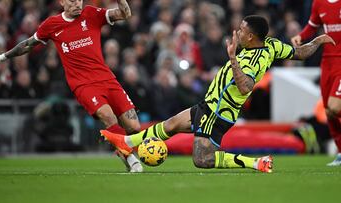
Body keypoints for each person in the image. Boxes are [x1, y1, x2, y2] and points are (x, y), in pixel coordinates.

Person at [101, 15, 335, 173]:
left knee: (202, 160)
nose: (238, 31)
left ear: (251, 37)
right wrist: (319, 40)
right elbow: (300, 53)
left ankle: (256, 163)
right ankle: (125, 141)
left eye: (242, 30)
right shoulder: (272, 45)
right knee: (171, 125)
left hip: (218, 112)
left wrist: (233, 57)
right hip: (209, 104)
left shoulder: (253, 59)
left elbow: (245, 87)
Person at [0, 0, 143, 172]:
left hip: (107, 79)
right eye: (72, 0)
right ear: (62, 2)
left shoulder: (91, 14)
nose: (77, 3)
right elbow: (28, 44)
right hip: (83, 84)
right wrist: (2, 57)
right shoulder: (52, 25)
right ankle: (130, 158)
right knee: (108, 117)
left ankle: (123, 151)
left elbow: (125, 14)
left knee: (134, 127)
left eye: (79, 0)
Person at [291, 0, 341, 166]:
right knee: (328, 110)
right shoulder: (318, 3)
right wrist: (300, 36)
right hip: (327, 62)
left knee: (335, 106)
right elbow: (312, 26)